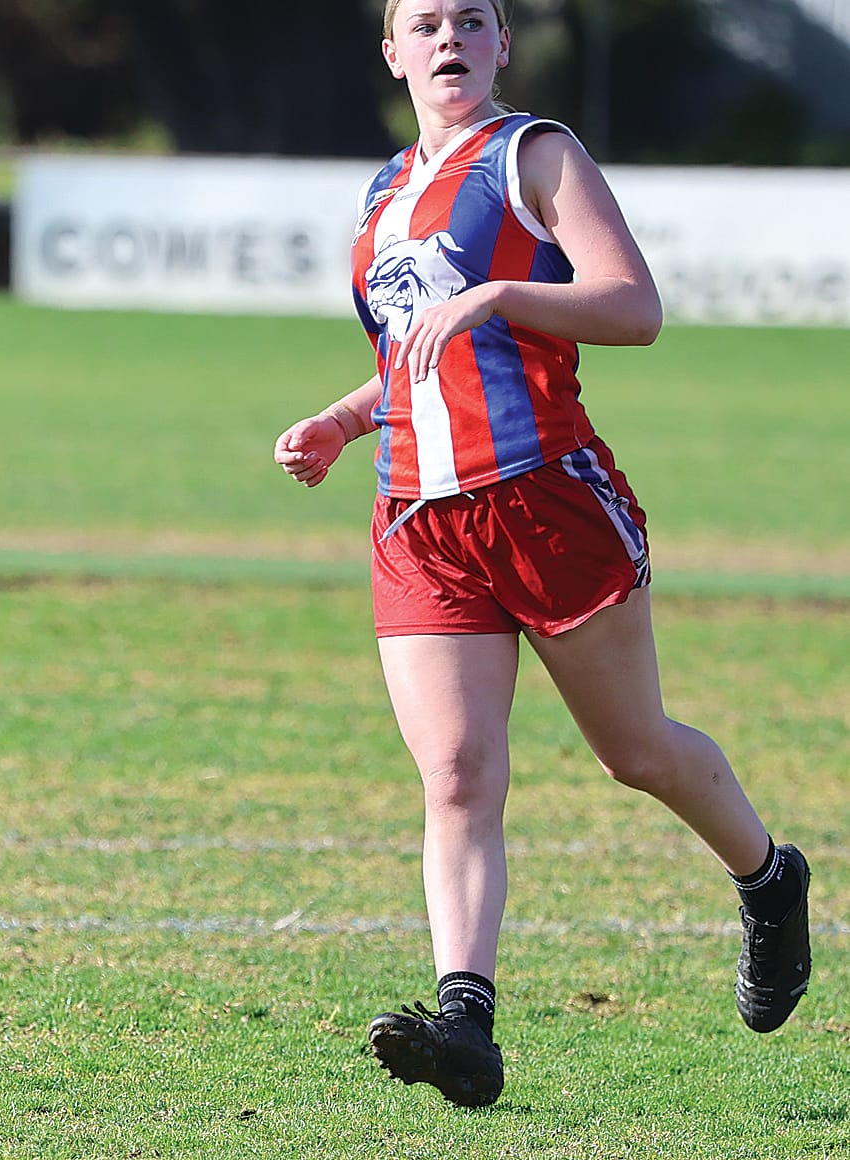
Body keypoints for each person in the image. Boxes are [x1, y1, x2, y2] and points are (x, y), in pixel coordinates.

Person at [273, 0, 810, 1109]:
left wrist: (505, 291)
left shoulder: (535, 155)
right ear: (392, 52)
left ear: (504, 43)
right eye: (424, 23)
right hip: (419, 520)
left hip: (545, 504)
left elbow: (636, 306)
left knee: (636, 751)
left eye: (472, 19)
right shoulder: (381, 192)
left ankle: (768, 875)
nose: (449, 39)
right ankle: (466, 1017)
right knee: (459, 773)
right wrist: (343, 417)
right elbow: (425, 352)